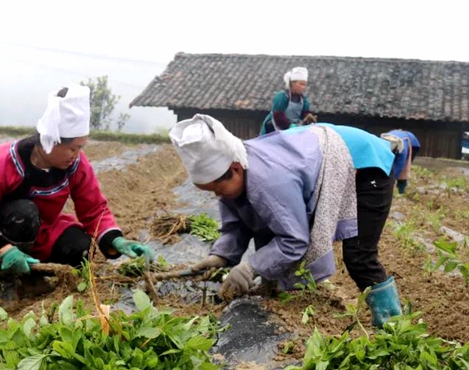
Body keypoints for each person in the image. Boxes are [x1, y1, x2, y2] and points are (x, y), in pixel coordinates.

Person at [170, 114, 401, 328]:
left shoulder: (270, 181)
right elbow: (238, 223)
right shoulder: (233, 173)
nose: (217, 196)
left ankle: (392, 327)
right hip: (319, 152)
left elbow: (294, 240)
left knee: (359, 256)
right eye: (210, 191)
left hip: (365, 164)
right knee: (263, 222)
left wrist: (250, 267)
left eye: (218, 188)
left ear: (236, 168)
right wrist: (220, 255)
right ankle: (271, 290)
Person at [0, 85, 154, 276]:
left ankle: (34, 271)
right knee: (24, 213)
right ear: (52, 140)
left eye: (80, 148)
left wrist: (117, 240)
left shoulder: (76, 165)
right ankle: (4, 278)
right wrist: (4, 249)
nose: (77, 155)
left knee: (82, 249)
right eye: (72, 148)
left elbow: (93, 209)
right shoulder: (3, 161)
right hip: (1, 230)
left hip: (42, 230)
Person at [259, 67, 317, 135]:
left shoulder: (304, 99)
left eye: (304, 84)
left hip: (294, 129)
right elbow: (278, 115)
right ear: (292, 83)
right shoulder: (282, 97)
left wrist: (308, 118)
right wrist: (290, 126)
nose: (303, 87)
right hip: (275, 128)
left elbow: (304, 114)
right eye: (301, 84)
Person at [381, 129, 421, 194]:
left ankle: (401, 190)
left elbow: (399, 165)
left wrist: (391, 180)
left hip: (412, 144)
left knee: (404, 168)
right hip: (397, 140)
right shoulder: (382, 144)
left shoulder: (402, 149)